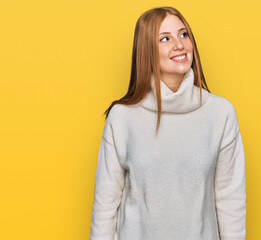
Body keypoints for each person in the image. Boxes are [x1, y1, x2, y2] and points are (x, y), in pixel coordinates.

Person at [90, 6, 246, 240]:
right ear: (146, 51)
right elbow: (105, 207)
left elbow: (230, 201)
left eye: (184, 34)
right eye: (165, 38)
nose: (179, 45)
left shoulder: (221, 113)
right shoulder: (123, 117)